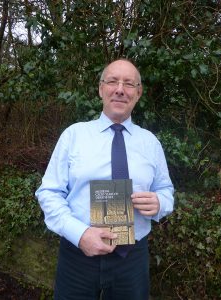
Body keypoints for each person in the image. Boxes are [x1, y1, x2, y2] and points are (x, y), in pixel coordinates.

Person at [35, 58, 174, 300]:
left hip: (132, 259)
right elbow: (49, 192)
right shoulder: (73, 135)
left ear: (138, 93)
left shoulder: (151, 143)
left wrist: (161, 203)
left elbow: (165, 188)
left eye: (129, 84)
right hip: (78, 255)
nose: (120, 89)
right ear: (101, 89)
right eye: (112, 81)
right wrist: (79, 234)